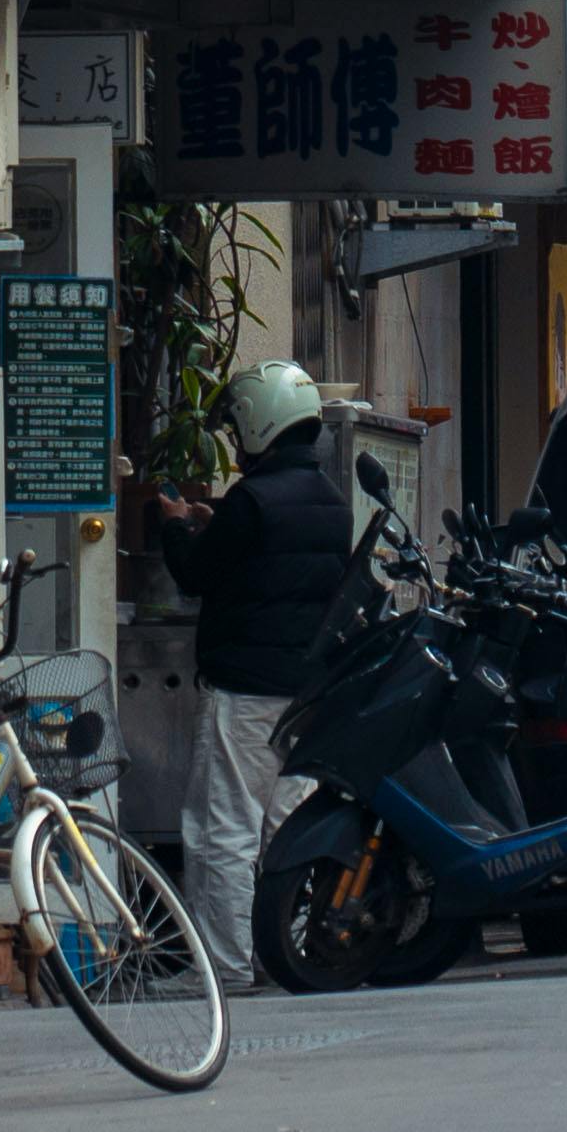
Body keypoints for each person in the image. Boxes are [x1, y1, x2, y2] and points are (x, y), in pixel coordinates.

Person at [147, 360, 365, 918]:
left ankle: (227, 965)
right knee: (289, 831)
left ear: (255, 425)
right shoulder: (333, 503)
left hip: (244, 693)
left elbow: (197, 573)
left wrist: (174, 523)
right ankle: (285, 949)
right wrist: (214, 518)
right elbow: (276, 556)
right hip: (304, 696)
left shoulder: (252, 500)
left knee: (225, 831)